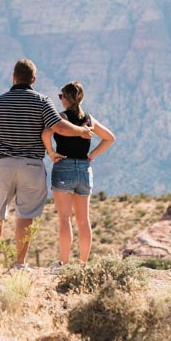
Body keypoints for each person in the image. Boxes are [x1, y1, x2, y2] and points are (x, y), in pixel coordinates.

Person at [0, 59, 93, 270]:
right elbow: (59, 126)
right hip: (32, 166)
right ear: (33, 79)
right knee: (26, 215)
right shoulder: (42, 101)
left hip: (3, 164)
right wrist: (81, 131)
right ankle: (19, 264)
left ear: (13, 77)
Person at [42, 81, 115, 272]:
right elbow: (109, 138)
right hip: (84, 170)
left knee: (65, 218)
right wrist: (92, 155)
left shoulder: (61, 117)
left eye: (61, 97)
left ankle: (63, 265)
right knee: (84, 221)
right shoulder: (89, 119)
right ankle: (83, 264)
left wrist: (51, 152)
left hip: (64, 167)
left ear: (66, 98)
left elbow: (45, 133)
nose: (60, 100)